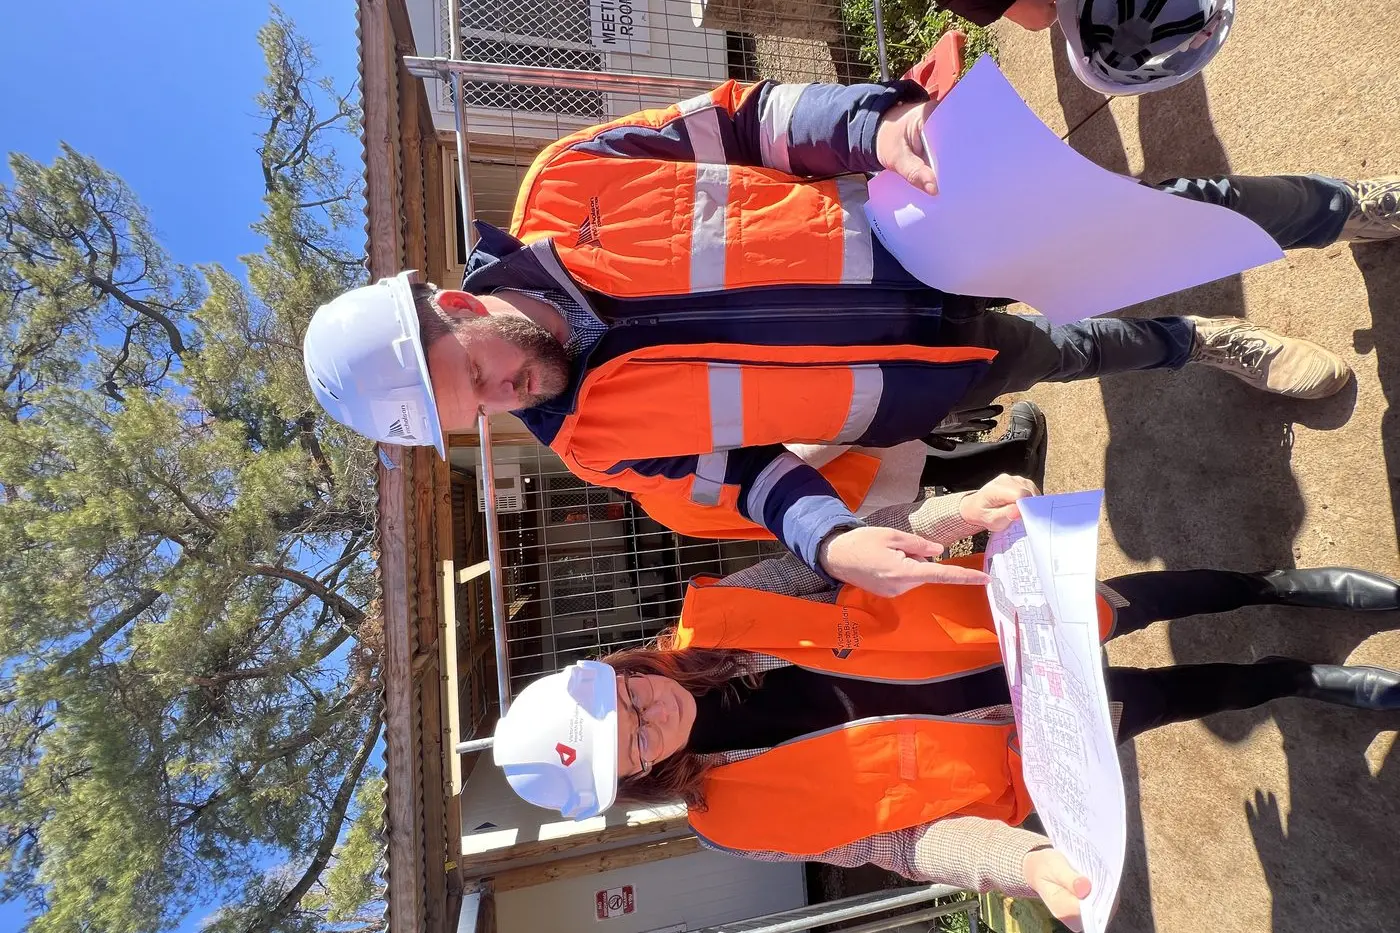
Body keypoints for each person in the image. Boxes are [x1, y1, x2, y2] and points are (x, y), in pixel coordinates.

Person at [303, 75, 1400, 598]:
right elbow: (747, 477)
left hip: (927, 228)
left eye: (479, 373)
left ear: (455, 307)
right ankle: (1199, 341)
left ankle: (1341, 208)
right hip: (912, 379)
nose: (504, 397)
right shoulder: (591, 444)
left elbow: (745, 121)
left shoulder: (569, 180)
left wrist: (880, 125)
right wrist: (827, 541)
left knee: (1147, 212)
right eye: (479, 411)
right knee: (1070, 354)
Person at [489, 477, 1400, 931]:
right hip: (1023, 737)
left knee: (1139, 601)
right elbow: (899, 843)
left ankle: (1273, 584)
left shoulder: (718, 617)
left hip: (994, 625)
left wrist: (963, 511)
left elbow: (850, 551)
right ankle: (1294, 678)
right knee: (1164, 696)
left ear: (620, 668)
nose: (650, 717)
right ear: (637, 777)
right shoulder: (732, 822)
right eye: (632, 745)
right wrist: (1023, 860)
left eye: (628, 698)